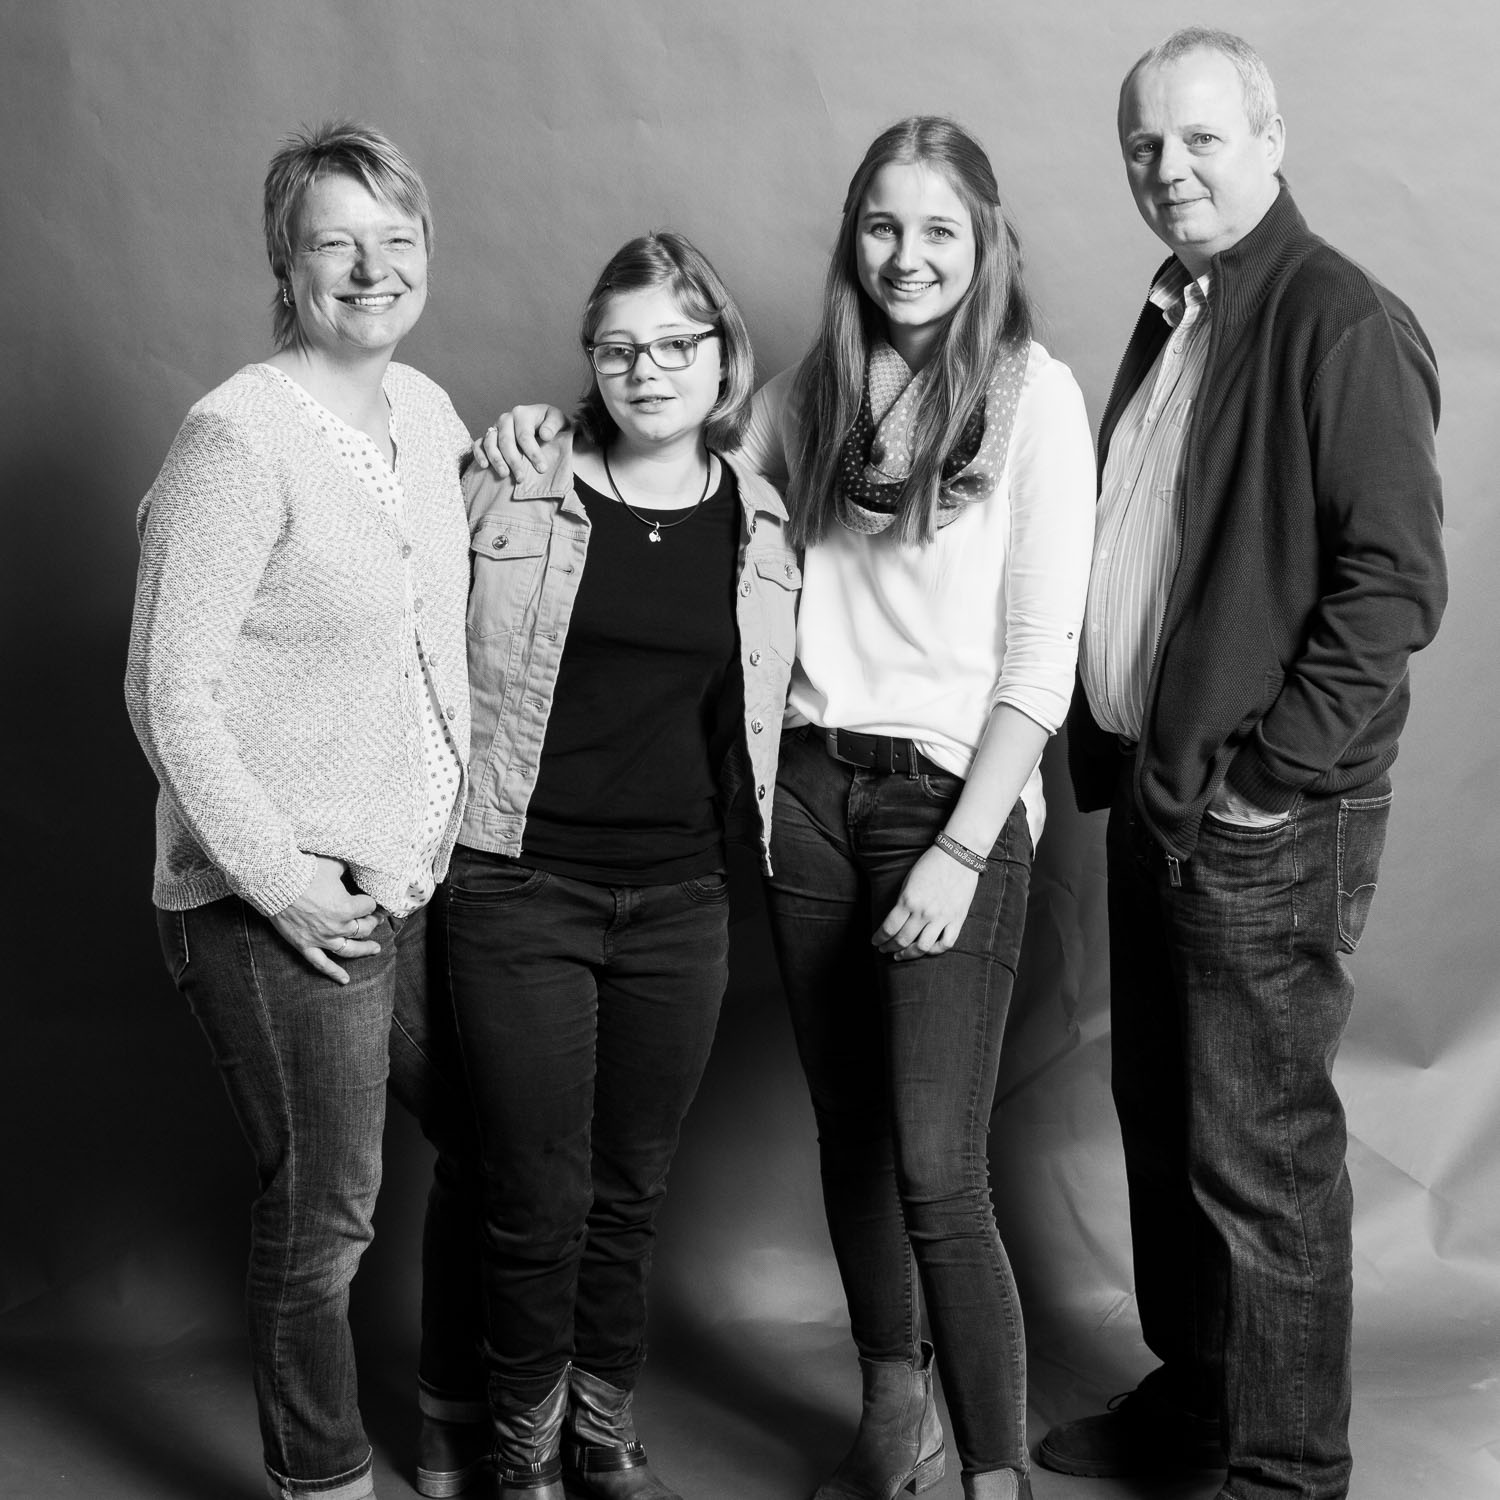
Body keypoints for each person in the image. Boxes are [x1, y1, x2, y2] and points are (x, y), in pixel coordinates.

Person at [481, 114, 1095, 1500]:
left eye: (938, 228)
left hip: (952, 798)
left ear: (988, 241)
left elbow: (1040, 659)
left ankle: (996, 1477)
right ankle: (894, 1415)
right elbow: (672, 446)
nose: (907, 254)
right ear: (850, 238)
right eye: (882, 225)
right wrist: (545, 429)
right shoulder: (815, 392)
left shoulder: (1035, 398)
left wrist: (963, 845)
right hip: (809, 794)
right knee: (855, 1140)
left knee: (938, 1166)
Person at [1037, 29, 1446, 1500]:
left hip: (1259, 819)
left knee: (1260, 1166)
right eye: (1145, 144)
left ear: (1270, 141)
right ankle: (1201, 1412)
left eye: (1202, 137)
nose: (1170, 167)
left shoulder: (1338, 318)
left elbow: (1393, 586)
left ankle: (1283, 1474)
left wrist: (1268, 783)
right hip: (1161, 797)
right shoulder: (1183, 309)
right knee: (1168, 1132)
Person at [125, 123, 487, 1500]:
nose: (371, 266)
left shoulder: (428, 415)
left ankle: (456, 1417)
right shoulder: (237, 438)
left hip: (408, 876)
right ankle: (322, 1478)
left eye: (397, 238)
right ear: (287, 263)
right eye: (336, 241)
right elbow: (165, 691)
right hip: (276, 894)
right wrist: (282, 882)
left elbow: (444, 597)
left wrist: (532, 446)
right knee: (328, 1213)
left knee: (490, 1138)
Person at [444, 231, 799, 1500]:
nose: (649, 370)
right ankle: (523, 1449)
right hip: (519, 888)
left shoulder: (763, 522)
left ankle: (603, 1429)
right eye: (619, 348)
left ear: (723, 357)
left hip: (682, 902)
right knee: (535, 1191)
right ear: (591, 362)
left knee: (632, 1186)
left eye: (675, 344)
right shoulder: (512, 484)